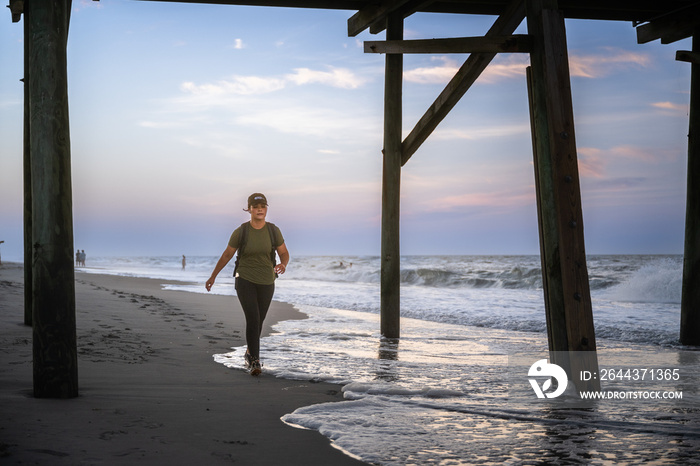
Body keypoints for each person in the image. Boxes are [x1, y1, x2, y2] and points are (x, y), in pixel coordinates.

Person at [206, 193, 289, 376]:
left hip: (267, 281)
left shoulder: (273, 231)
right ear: (249, 209)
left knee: (259, 321)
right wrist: (213, 276)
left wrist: (283, 264)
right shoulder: (241, 231)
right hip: (244, 279)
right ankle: (255, 362)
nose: (259, 209)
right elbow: (227, 255)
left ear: (266, 209)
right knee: (253, 319)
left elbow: (284, 253)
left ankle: (249, 352)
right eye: (256, 206)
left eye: (263, 206)